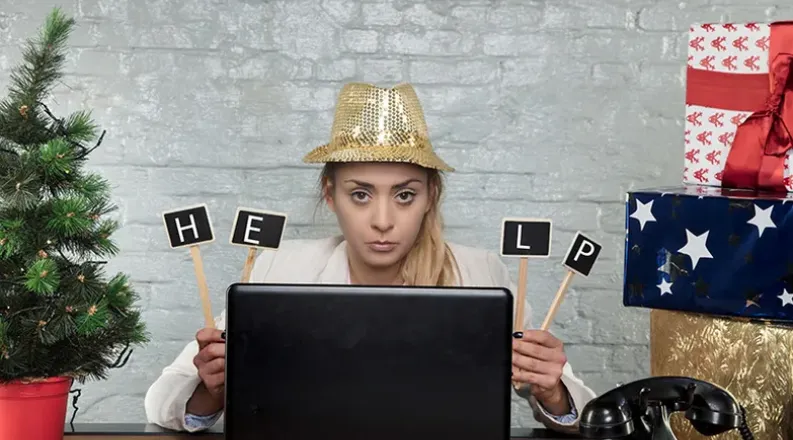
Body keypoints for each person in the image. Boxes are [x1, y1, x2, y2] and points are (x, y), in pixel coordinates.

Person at [144, 82, 597, 434]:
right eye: (360, 194)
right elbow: (161, 403)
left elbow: (577, 412)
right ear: (331, 195)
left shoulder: (480, 274)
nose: (383, 220)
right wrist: (210, 389)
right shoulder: (279, 268)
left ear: (429, 197)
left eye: (404, 195)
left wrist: (552, 389)